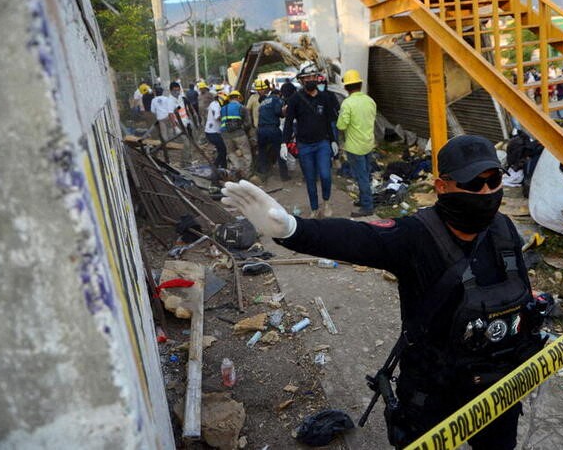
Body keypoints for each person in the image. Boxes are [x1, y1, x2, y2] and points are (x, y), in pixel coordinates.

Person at [220, 134, 543, 449]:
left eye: (494, 181)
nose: (486, 192)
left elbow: (520, 292)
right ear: (442, 187)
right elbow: (358, 237)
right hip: (434, 389)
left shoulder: (503, 230)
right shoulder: (417, 237)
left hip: (499, 383)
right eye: (474, 184)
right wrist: (291, 229)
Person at [280, 61, 339, 218]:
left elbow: (328, 121)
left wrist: (333, 141)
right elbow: (288, 122)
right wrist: (283, 143)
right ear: (301, 80)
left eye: (313, 76)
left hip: (322, 144)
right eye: (307, 77)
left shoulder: (324, 98)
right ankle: (314, 208)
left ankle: (326, 202)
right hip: (304, 146)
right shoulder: (295, 99)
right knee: (310, 180)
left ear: (317, 77)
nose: (310, 79)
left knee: (326, 175)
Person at [336, 69, 377, 217]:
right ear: (360, 84)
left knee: (362, 177)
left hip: (355, 147)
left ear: (346, 87)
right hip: (368, 144)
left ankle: (367, 207)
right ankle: (364, 199)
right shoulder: (369, 100)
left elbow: (341, 125)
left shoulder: (347, 104)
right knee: (366, 174)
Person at [253, 79, 289, 181]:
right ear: (278, 94)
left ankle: (263, 174)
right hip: (272, 128)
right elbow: (278, 112)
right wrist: (284, 112)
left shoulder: (263, 102)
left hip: (261, 130)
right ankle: (284, 176)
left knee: (262, 152)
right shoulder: (276, 99)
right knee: (280, 150)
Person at [220, 90, 253, 177]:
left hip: (225, 134)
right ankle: (246, 174)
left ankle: (236, 170)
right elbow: (248, 123)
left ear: (229, 99)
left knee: (231, 153)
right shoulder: (242, 107)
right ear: (238, 98)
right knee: (246, 154)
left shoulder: (223, 108)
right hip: (239, 133)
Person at [205, 92, 227, 169]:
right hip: (212, 132)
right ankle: (215, 166)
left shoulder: (213, 104)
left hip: (213, 131)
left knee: (221, 149)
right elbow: (217, 117)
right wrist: (227, 120)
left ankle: (223, 167)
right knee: (223, 150)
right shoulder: (216, 105)